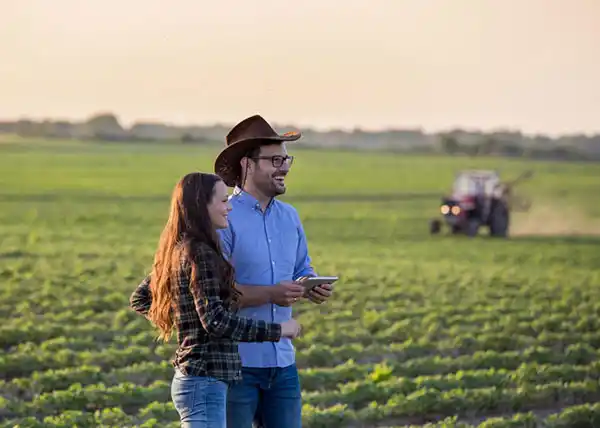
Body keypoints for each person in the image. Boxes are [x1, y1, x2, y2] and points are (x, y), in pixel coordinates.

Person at [128, 172, 302, 428]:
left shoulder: (179, 248)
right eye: (222, 201)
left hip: (193, 378)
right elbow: (217, 321)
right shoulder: (202, 254)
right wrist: (278, 330)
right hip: (204, 380)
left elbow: (141, 298)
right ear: (202, 205)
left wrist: (188, 320)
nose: (229, 207)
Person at [213, 115, 335, 428]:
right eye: (275, 159)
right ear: (247, 165)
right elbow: (215, 295)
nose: (284, 167)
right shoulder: (223, 218)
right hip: (235, 365)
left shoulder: (290, 216)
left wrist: (311, 285)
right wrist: (272, 294)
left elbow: (301, 268)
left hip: (283, 364)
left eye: (286, 159)